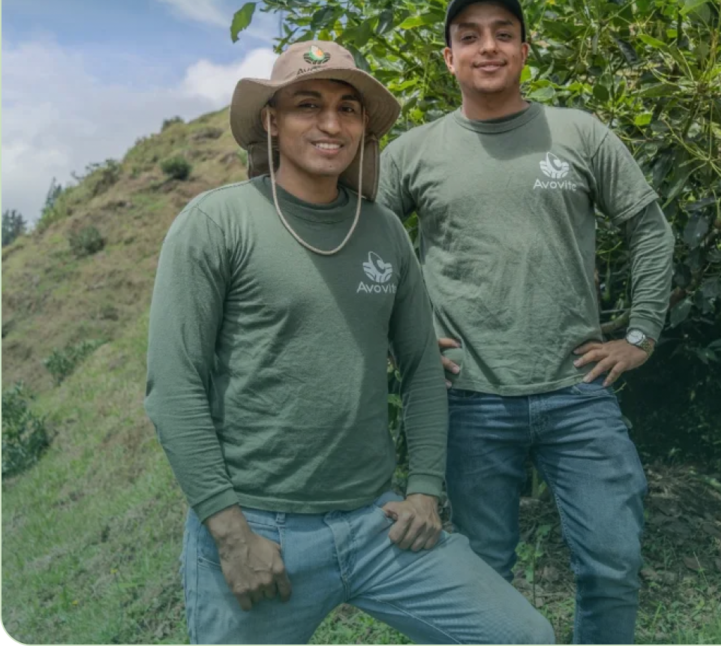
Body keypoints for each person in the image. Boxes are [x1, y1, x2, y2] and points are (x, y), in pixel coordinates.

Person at [144, 40, 554, 646]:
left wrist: (425, 491)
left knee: (521, 636)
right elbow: (173, 388)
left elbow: (420, 367)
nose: (331, 124)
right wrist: (231, 536)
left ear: (364, 126)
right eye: (308, 104)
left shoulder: (383, 230)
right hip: (261, 527)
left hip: (377, 524)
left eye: (348, 108)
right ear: (272, 120)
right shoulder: (216, 223)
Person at [378, 0, 675, 645]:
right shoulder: (413, 153)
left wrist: (640, 333)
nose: (488, 46)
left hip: (579, 391)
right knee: (485, 577)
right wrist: (402, 336)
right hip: (468, 398)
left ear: (523, 48)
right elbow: (361, 247)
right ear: (448, 57)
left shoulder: (576, 132)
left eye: (503, 31)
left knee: (612, 560)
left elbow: (649, 227)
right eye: (470, 35)